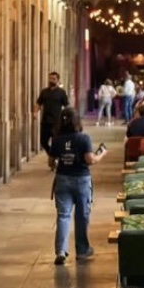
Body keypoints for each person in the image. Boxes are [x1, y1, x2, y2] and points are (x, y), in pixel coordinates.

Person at [48, 107, 106, 265]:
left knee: (63, 215)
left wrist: (63, 160)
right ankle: (82, 250)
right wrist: (102, 154)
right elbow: (90, 160)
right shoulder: (83, 138)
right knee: (82, 216)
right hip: (81, 180)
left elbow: (51, 162)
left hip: (62, 179)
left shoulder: (57, 139)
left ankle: (61, 250)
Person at [33, 70, 69, 155]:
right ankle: (52, 155)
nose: (51, 80)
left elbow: (66, 105)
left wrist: (67, 117)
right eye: (50, 78)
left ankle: (55, 158)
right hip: (45, 121)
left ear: (58, 80)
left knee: (56, 141)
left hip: (57, 121)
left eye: (53, 79)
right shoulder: (44, 92)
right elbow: (39, 103)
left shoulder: (61, 92)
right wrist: (35, 112)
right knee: (43, 142)